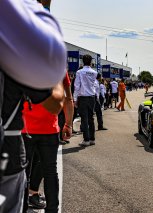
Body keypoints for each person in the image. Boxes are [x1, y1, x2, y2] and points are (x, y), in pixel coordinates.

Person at [0, 1, 66, 213]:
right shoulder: (14, 37)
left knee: (33, 171)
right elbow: (58, 102)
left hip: (27, 130)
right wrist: (56, 78)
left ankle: (34, 197)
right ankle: (52, 209)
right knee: (49, 170)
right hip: (13, 144)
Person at [22, 73, 73, 213]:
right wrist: (68, 124)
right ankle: (52, 210)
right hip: (49, 129)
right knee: (50, 172)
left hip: (24, 128)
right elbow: (68, 98)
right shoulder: (58, 66)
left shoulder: (21, 62)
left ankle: (21, 208)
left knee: (22, 174)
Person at [74, 55, 98, 147]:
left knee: (84, 119)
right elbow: (95, 85)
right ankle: (92, 139)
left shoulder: (79, 72)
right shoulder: (94, 72)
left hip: (83, 97)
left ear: (82, 62)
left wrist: (75, 99)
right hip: (92, 97)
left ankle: (86, 140)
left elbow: (77, 86)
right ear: (91, 62)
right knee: (91, 118)